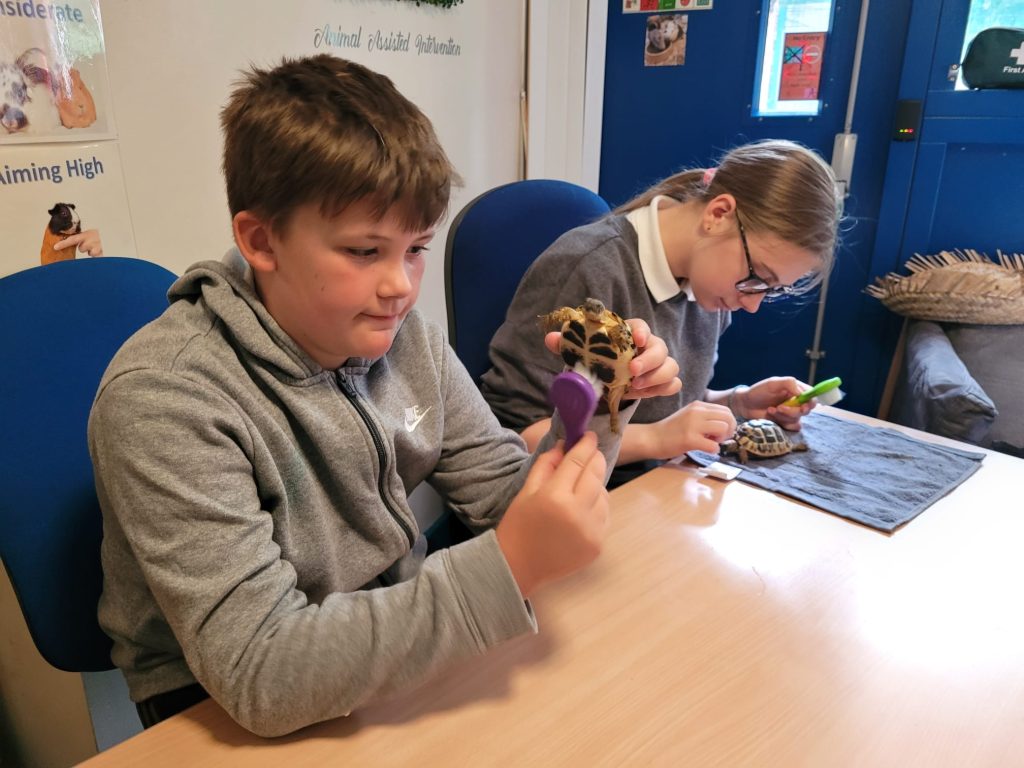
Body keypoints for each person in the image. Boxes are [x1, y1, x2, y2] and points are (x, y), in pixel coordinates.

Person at [87, 54, 680, 737]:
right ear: (260, 240)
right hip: (218, 701)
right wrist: (511, 565)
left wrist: (603, 401)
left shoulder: (406, 338)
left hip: (385, 638)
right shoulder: (165, 399)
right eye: (365, 252)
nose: (401, 286)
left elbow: (505, 499)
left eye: (416, 248)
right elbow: (259, 670)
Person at [481, 139, 842, 486]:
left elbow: (665, 404)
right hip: (580, 496)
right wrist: (655, 439)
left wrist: (738, 402)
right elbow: (514, 438)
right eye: (758, 278)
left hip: (657, 487)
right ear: (718, 214)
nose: (752, 304)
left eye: (772, 290)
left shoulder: (709, 285)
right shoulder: (591, 269)